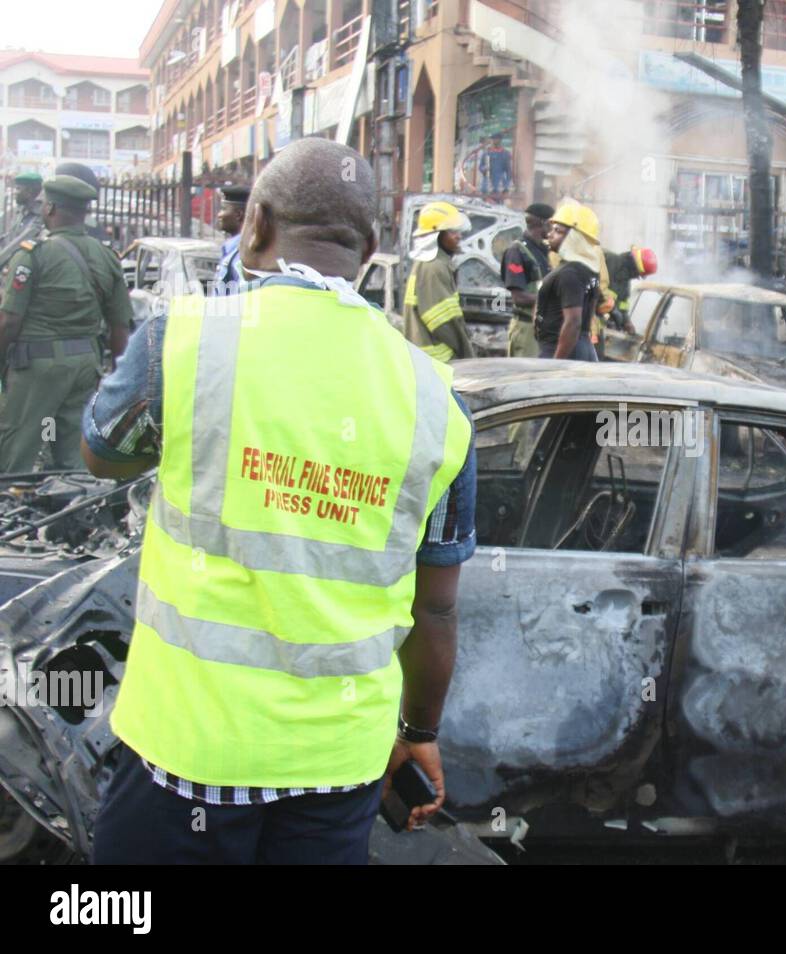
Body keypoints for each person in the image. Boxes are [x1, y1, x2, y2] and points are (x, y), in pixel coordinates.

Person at [82, 137, 478, 865]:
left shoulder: (187, 337)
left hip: (188, 751)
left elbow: (100, 454)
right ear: (369, 249)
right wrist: (418, 730)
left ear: (254, 225)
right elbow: (437, 608)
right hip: (338, 768)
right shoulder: (435, 398)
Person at [0, 175, 131, 472]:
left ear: (50, 208)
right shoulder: (107, 256)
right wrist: (115, 377)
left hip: (38, 371)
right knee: (67, 445)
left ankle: (13, 507)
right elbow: (120, 325)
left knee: (17, 450)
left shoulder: (33, 255)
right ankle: (69, 505)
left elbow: (9, 321)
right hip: (84, 367)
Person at [403, 200, 475, 362]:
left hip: (429, 359)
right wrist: (467, 354)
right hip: (438, 361)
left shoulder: (430, 263)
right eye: (452, 231)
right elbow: (443, 321)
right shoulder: (433, 267)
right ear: (437, 235)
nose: (458, 236)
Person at [535, 202, 603, 361]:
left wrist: (556, 365)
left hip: (563, 351)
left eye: (558, 231)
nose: (550, 234)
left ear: (574, 238)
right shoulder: (587, 269)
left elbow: (573, 322)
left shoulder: (570, 273)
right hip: (578, 349)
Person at [500, 201, 553, 357]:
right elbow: (519, 297)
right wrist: (552, 300)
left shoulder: (545, 251)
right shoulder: (517, 252)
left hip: (543, 328)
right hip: (527, 328)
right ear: (544, 223)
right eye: (553, 224)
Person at [0, 172, 44, 270]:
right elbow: (11, 238)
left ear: (29, 191)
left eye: (18, 188)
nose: (15, 192)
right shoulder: (21, 211)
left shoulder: (42, 216)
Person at [214, 184, 249, 287]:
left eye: (224, 209)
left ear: (238, 214)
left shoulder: (244, 254)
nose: (219, 215)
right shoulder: (232, 249)